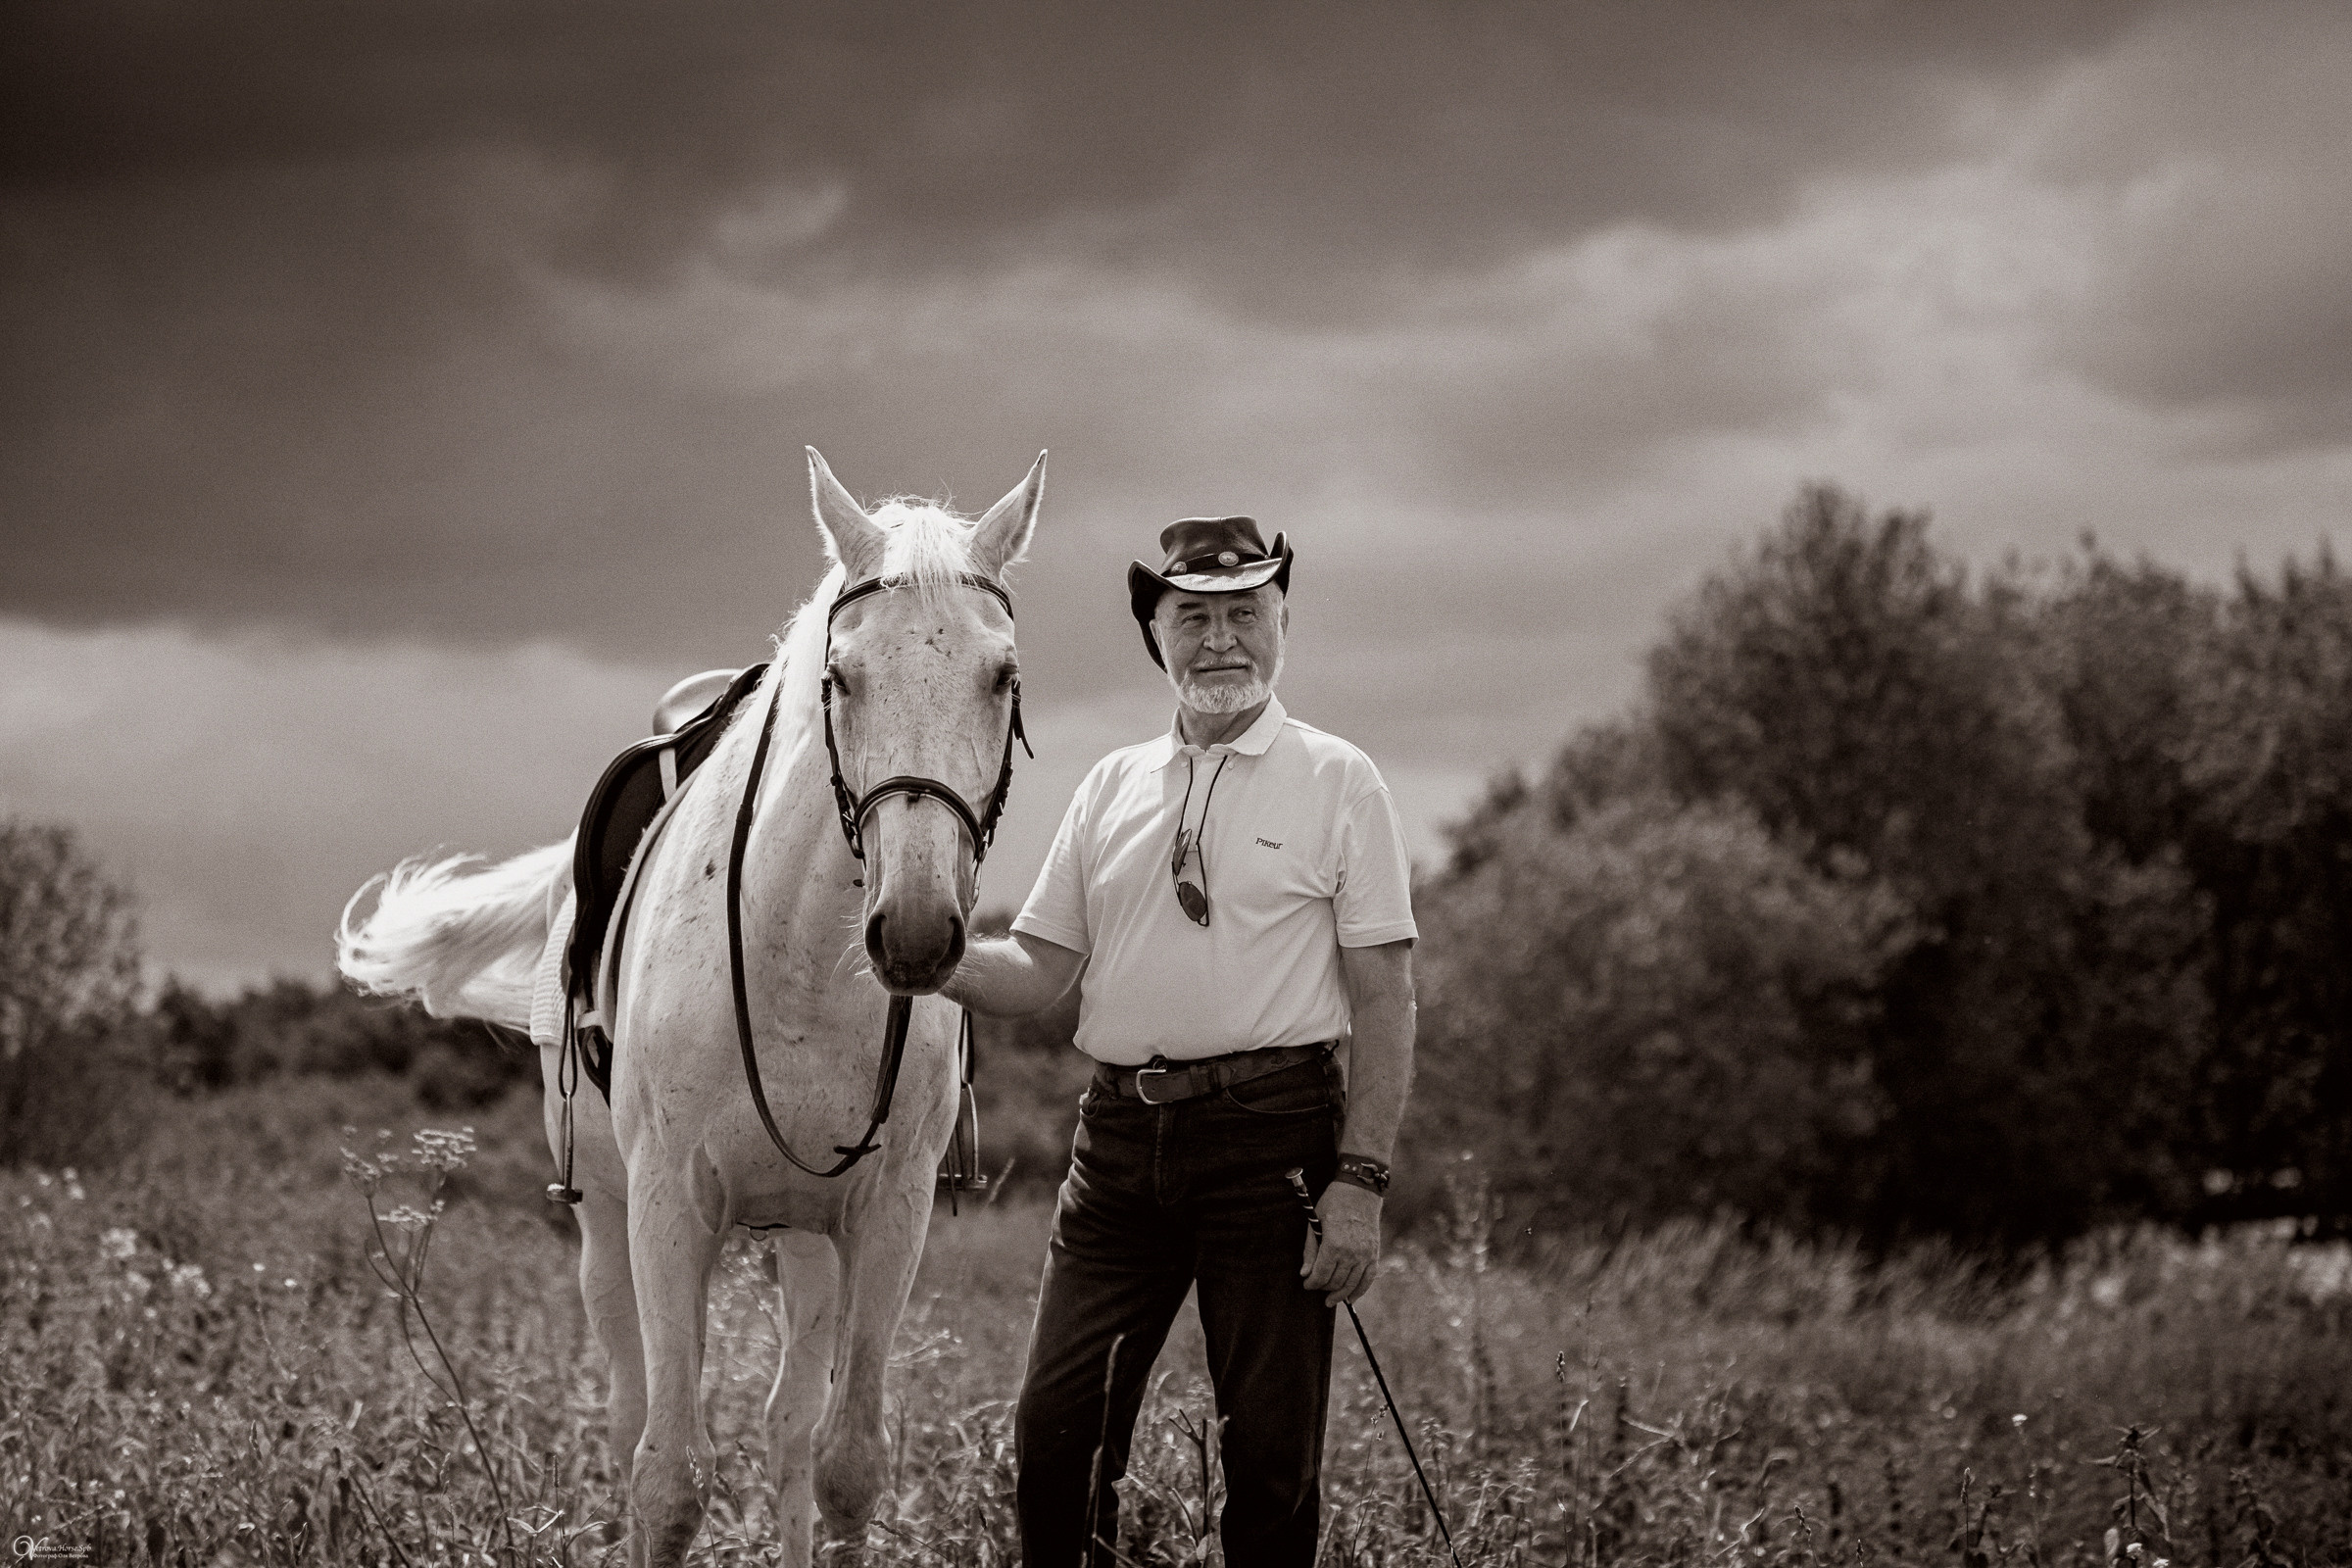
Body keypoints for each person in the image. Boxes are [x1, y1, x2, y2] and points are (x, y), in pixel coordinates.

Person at [942, 515, 1418, 1565]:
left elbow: (1385, 997)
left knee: (1271, 1464)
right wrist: (931, 958)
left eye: (1245, 612)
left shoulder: (1342, 779)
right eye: (1193, 616)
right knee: (1057, 1436)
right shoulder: (1108, 786)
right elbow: (1036, 974)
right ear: (1153, 630)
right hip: (1114, 1151)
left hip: (1273, 1146)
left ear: (1282, 619)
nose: (1221, 640)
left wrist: (1362, 1179)